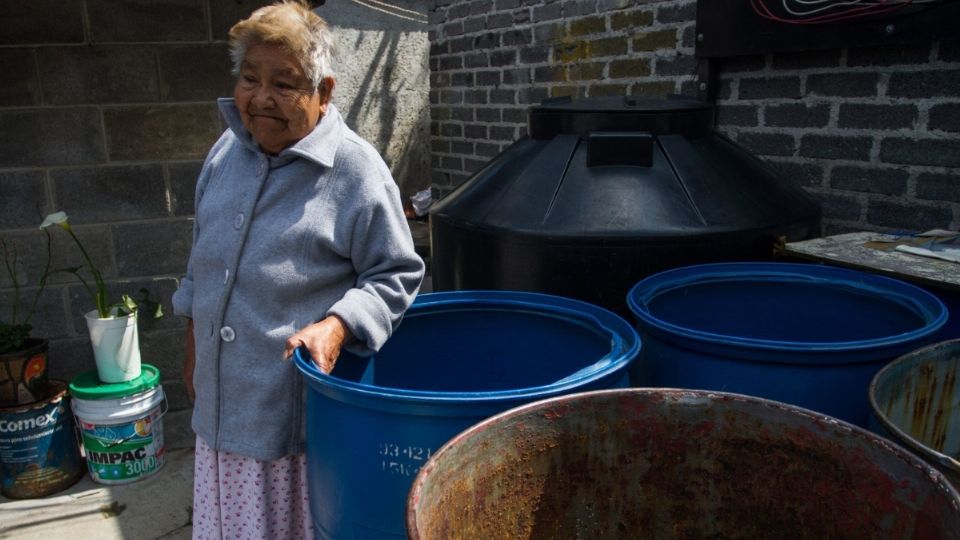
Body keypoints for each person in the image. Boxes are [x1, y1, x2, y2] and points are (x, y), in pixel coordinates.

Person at [170, 1, 425, 537]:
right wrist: (194, 346)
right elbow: (201, 263)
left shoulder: (354, 170)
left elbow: (396, 272)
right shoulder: (225, 152)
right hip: (219, 411)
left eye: (284, 84)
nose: (261, 99)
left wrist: (337, 326)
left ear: (324, 92)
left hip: (290, 428)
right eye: (249, 78)